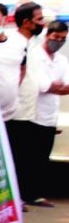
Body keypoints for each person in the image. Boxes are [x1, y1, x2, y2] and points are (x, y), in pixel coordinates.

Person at [0, 1, 46, 209]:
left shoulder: (34, 43)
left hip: (27, 110)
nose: (43, 22)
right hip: (10, 110)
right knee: (10, 156)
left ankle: (17, 197)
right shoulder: (11, 41)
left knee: (22, 156)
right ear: (26, 22)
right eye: (39, 19)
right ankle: (9, 199)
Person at [22, 20, 69, 207]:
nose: (58, 41)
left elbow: (65, 86)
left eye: (62, 39)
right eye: (55, 37)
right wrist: (53, 86)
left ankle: (35, 194)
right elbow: (41, 85)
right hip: (33, 113)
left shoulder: (61, 60)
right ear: (48, 35)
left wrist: (53, 86)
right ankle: (23, 194)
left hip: (50, 115)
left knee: (42, 158)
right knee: (28, 157)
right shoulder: (35, 55)